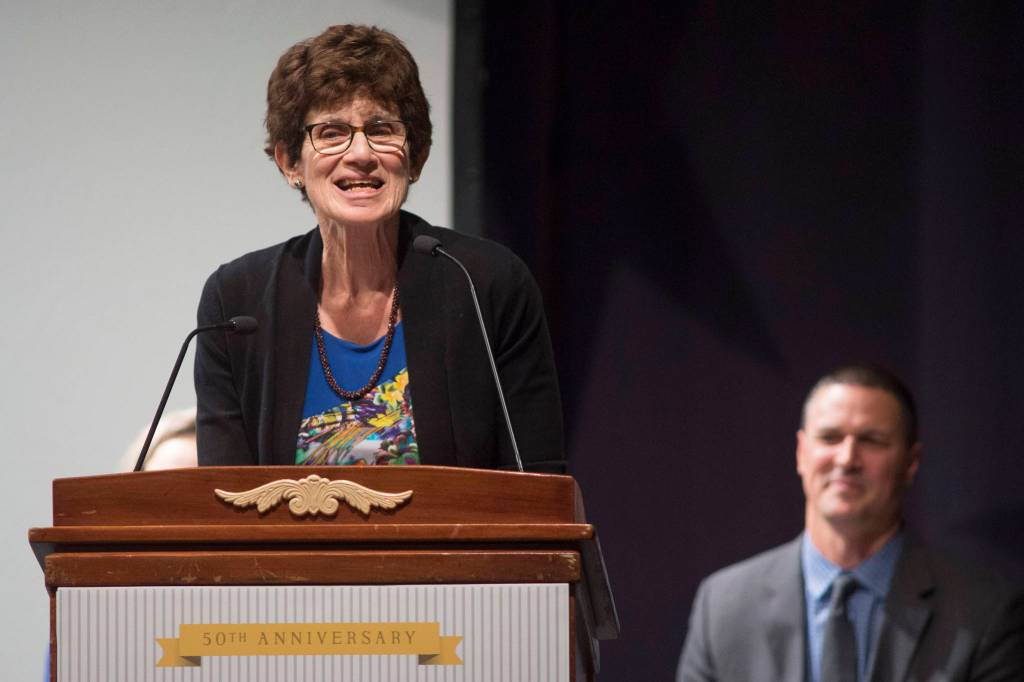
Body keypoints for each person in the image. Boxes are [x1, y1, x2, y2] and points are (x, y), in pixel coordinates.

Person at [194, 25, 563, 471]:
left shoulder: (486, 285)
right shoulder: (237, 302)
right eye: (331, 132)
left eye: (382, 129)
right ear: (290, 161)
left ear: (417, 156)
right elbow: (223, 504)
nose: (361, 153)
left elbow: (538, 489)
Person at [677, 365, 1024, 682]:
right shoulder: (723, 606)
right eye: (830, 438)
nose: (846, 459)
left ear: (911, 462)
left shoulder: (984, 612)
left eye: (872, 440)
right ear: (801, 452)